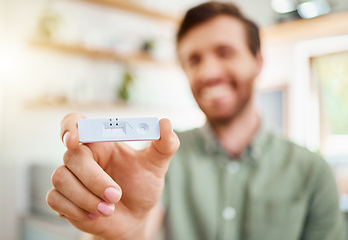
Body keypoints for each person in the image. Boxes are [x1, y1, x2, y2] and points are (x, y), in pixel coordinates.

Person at [46, 1, 346, 240]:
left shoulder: (313, 173)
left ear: (258, 61)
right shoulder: (161, 159)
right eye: (194, 60)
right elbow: (136, 227)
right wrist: (122, 234)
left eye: (224, 52)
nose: (207, 73)